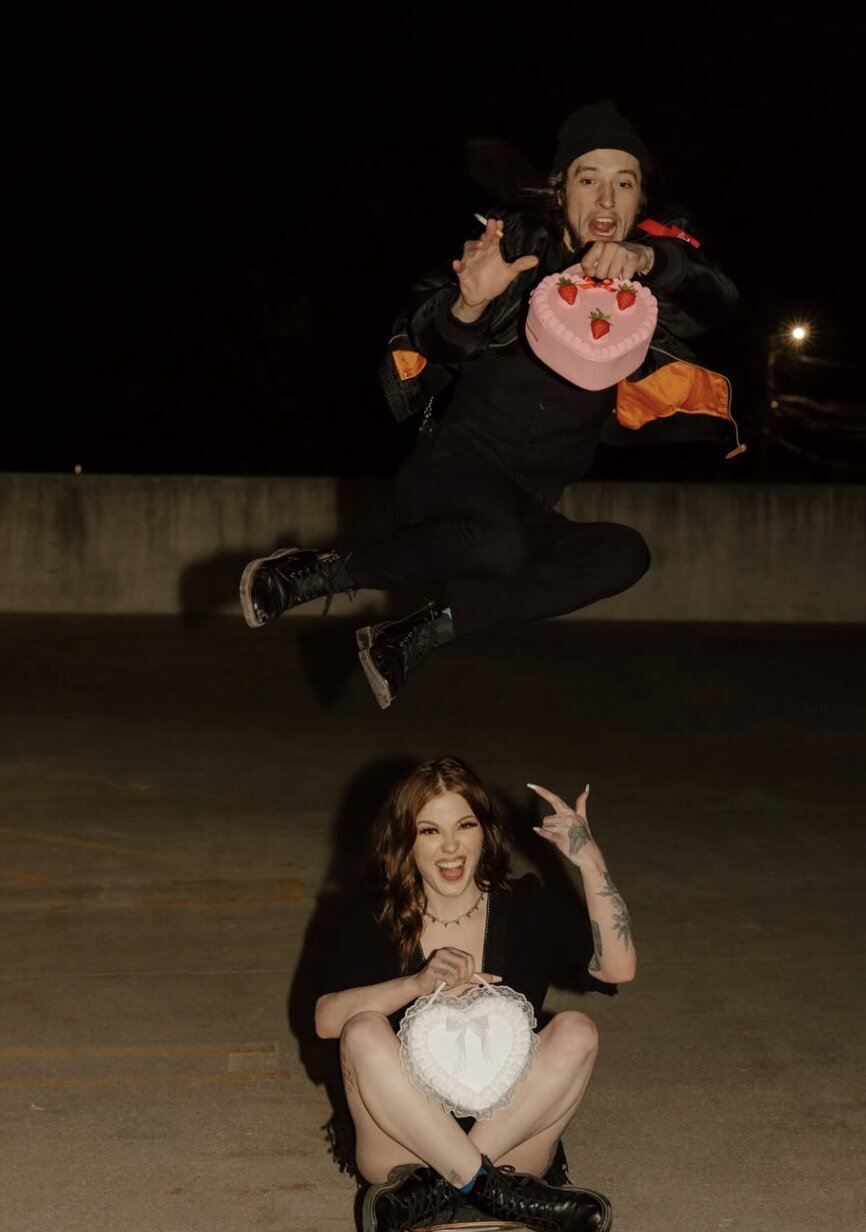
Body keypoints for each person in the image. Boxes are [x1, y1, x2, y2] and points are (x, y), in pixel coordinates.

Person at [240, 100, 741, 707]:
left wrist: (650, 259)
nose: (606, 202)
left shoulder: (644, 288)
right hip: (448, 473)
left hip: (524, 508)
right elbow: (426, 337)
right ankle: (314, 572)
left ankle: (420, 633)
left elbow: (718, 298)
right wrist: (469, 305)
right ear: (561, 191)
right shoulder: (513, 249)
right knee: (496, 545)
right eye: (590, 180)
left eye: (624, 184)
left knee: (622, 553)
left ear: (639, 204)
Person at [314, 754, 635, 1232]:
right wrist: (417, 983)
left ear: (485, 832)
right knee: (362, 1029)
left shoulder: (524, 905)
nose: (450, 846)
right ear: (406, 842)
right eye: (429, 831)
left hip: (507, 1144)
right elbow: (325, 1019)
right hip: (406, 1150)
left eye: (463, 825)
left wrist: (590, 863)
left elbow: (618, 967)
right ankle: (497, 1195)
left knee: (577, 1030)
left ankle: (444, 1193)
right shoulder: (376, 915)